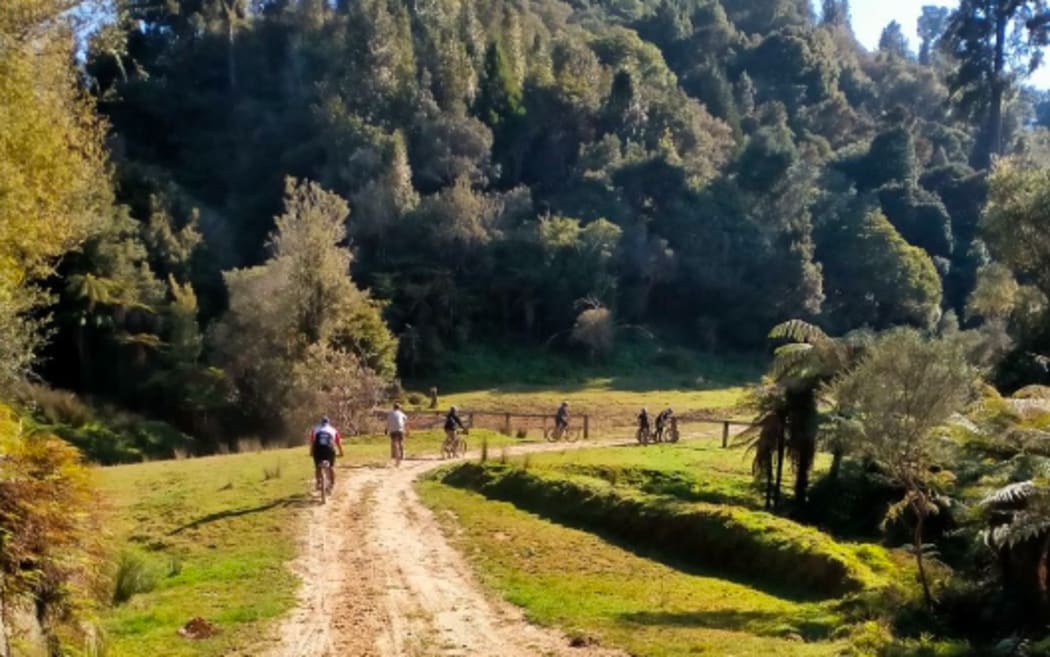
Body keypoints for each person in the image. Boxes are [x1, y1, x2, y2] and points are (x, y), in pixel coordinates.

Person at [308, 416, 343, 491]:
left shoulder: (315, 429)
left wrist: (311, 452)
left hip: (318, 450)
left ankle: (318, 483)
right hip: (329, 450)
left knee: (317, 467)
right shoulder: (333, 430)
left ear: (321, 423)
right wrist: (341, 453)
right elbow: (338, 443)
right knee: (330, 467)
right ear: (328, 423)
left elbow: (312, 442)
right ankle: (332, 484)